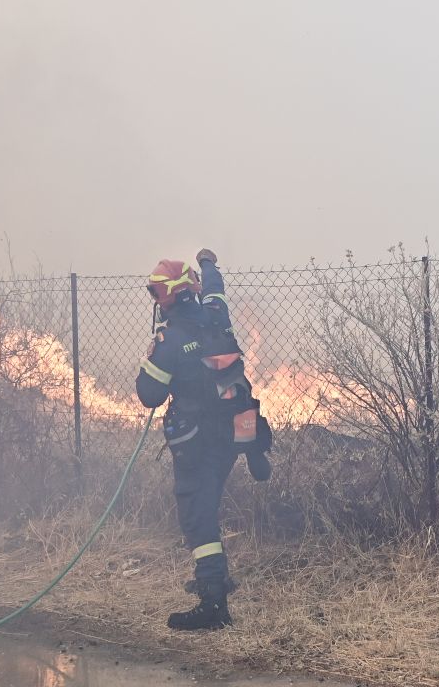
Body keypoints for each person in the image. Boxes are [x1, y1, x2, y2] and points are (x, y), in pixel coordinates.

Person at [135, 250, 271, 630]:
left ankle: (214, 602)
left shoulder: (171, 339)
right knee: (207, 504)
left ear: (175, 294)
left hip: (198, 441)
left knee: (197, 514)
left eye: (157, 292)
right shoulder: (216, 314)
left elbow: (148, 394)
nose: (154, 300)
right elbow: (216, 288)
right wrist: (208, 263)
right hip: (232, 431)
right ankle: (214, 577)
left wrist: (151, 358)